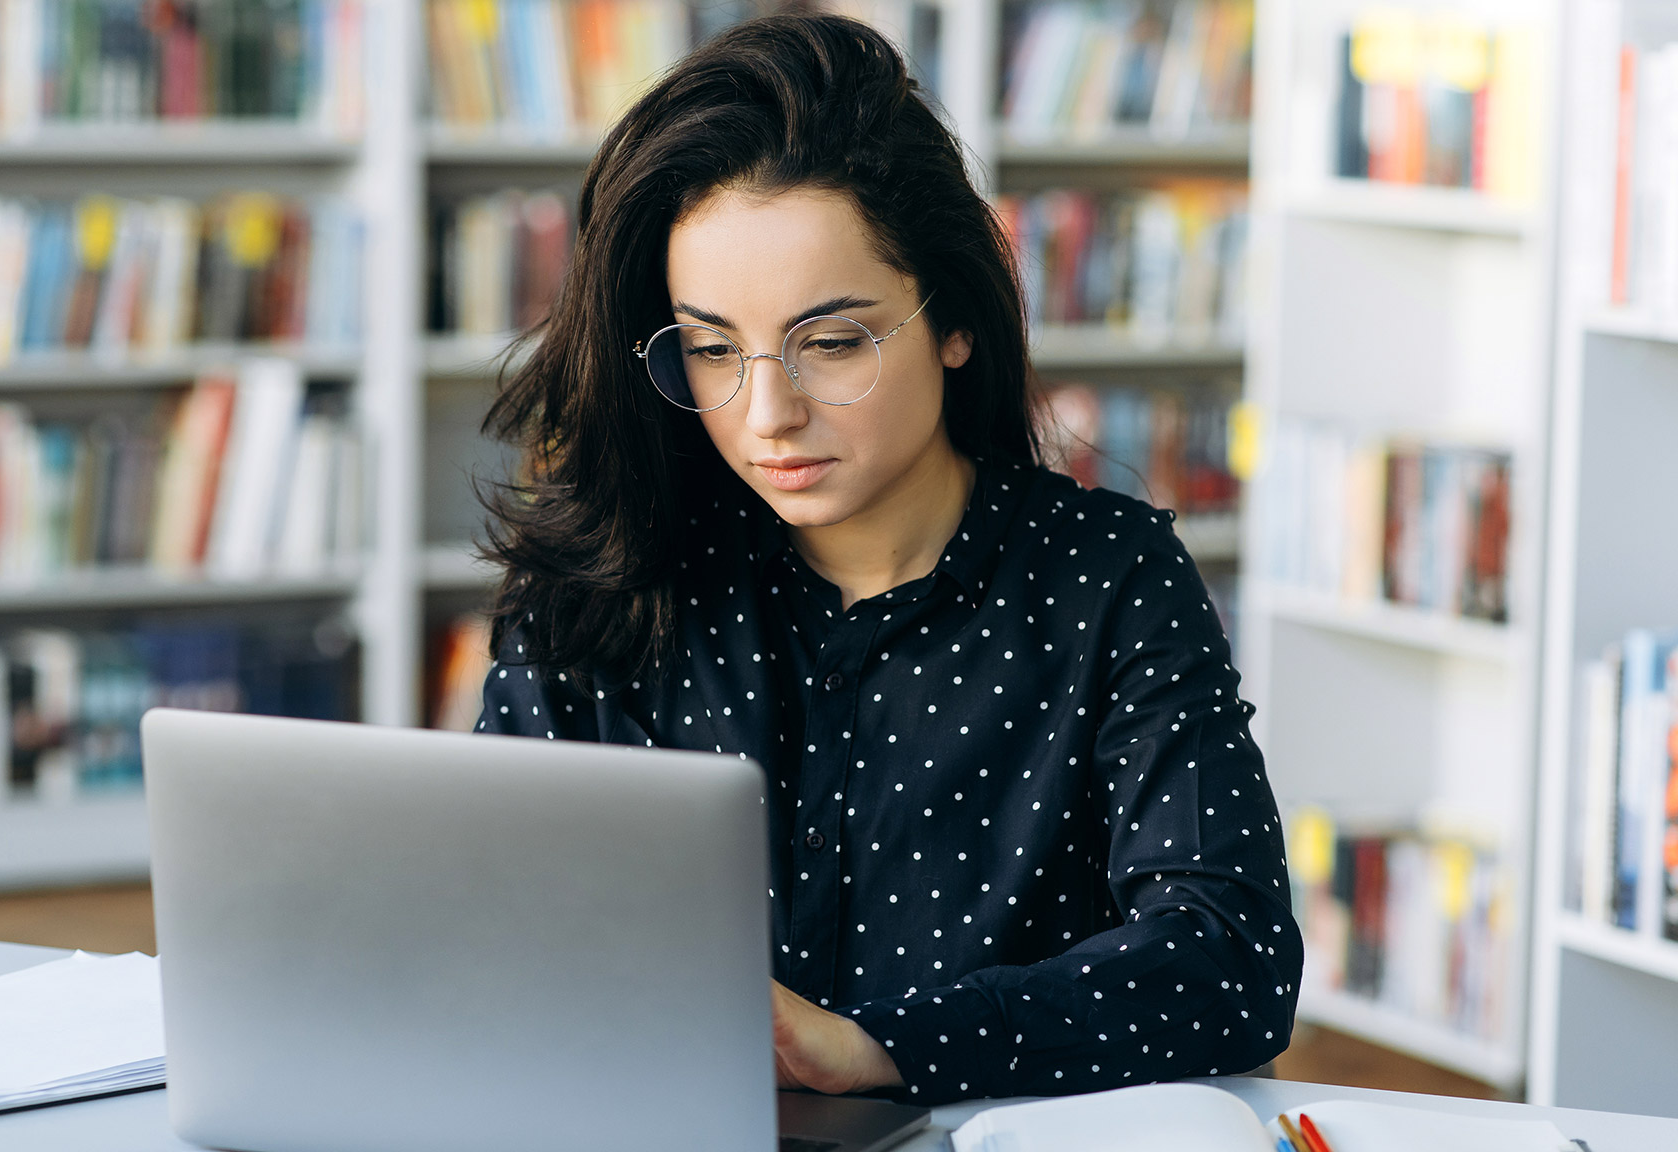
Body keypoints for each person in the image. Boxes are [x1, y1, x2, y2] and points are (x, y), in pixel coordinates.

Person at [472, 13, 1300, 1105]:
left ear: (952, 319)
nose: (766, 413)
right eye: (711, 348)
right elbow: (486, 934)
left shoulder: (1108, 577)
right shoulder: (598, 582)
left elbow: (1227, 960)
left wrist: (882, 1048)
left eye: (828, 342)